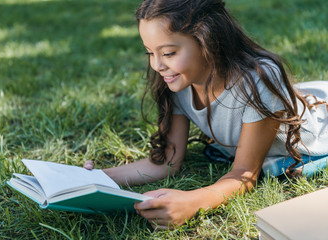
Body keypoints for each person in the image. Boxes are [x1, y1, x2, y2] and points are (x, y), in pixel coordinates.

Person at [84, 0, 328, 229]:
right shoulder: (178, 82)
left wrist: (191, 202)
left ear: (208, 41)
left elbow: (245, 174)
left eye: (168, 53)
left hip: (318, 126)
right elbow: (167, 163)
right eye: (150, 52)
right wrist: (97, 179)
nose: (157, 65)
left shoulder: (258, 81)